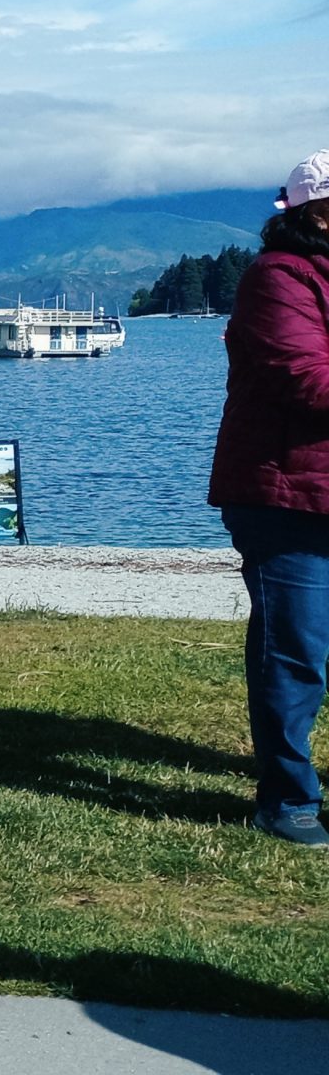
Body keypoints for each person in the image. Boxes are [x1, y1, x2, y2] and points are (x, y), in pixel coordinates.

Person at [211, 150, 329, 849]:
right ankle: (287, 797)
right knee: (296, 649)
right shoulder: (276, 277)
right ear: (318, 211)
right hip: (285, 494)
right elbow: (307, 380)